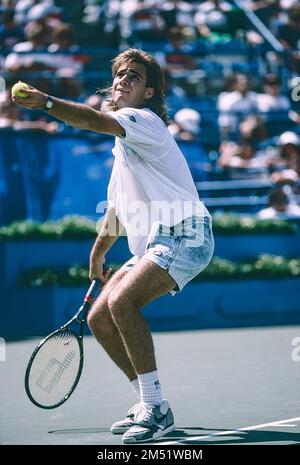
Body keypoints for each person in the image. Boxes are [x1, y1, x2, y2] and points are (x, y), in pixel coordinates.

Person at [12, 48, 214, 444]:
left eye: (134, 77)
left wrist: (47, 102)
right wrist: (98, 254)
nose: (122, 80)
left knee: (123, 304)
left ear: (150, 93)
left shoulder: (143, 121)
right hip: (159, 239)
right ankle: (148, 402)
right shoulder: (124, 150)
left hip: (186, 234)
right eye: (120, 74)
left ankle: (156, 410)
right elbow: (118, 213)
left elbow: (91, 119)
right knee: (100, 317)